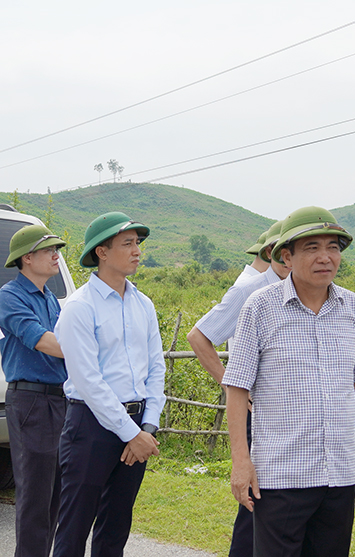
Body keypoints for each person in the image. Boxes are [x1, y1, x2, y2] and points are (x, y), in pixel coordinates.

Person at [223, 206, 355, 557]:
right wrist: (241, 462)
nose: (325, 257)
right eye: (312, 248)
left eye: (333, 247)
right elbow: (237, 390)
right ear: (287, 256)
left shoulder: (353, 309)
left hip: (339, 474)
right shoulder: (259, 307)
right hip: (281, 477)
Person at [52, 212, 166, 557]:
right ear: (101, 252)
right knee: (73, 530)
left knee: (115, 529)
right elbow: (88, 381)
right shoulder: (79, 308)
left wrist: (146, 427)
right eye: (127, 244)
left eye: (138, 244)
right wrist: (130, 433)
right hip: (90, 427)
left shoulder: (142, 304)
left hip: (137, 425)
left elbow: (156, 368)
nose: (136, 251)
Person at [186, 219, 287, 557]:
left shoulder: (296, 291)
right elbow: (199, 337)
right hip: (256, 410)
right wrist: (233, 389)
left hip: (285, 417)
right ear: (276, 253)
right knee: (256, 500)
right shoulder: (250, 290)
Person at [0, 225, 68, 557]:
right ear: (28, 258)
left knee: (55, 494)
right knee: (35, 498)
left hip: (59, 399)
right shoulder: (9, 296)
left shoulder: (50, 299)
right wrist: (88, 348)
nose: (57, 256)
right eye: (48, 250)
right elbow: (43, 341)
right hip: (31, 402)